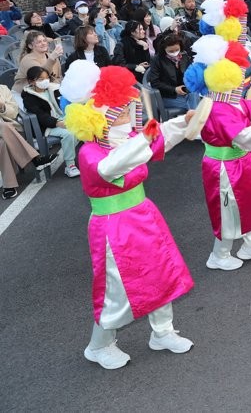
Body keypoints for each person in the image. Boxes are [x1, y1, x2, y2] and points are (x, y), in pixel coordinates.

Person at [60, 61, 196, 369]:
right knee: (116, 288)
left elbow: (155, 142)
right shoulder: (90, 152)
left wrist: (182, 123)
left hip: (142, 214)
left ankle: (162, 332)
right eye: (121, 110)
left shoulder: (127, 140)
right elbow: (113, 167)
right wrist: (145, 138)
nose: (129, 113)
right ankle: (99, 345)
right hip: (112, 227)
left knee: (160, 272)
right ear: (102, 118)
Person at [185, 33, 251, 270]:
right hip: (223, 167)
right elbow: (241, 136)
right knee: (227, 212)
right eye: (241, 77)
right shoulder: (217, 108)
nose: (244, 81)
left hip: (241, 162)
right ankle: (219, 255)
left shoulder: (229, 100)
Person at [22, 65, 79, 177]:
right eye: (41, 79)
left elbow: (66, 101)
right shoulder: (29, 97)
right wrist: (57, 123)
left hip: (64, 118)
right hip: (48, 126)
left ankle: (92, 158)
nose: (45, 81)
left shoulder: (53, 89)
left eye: (47, 78)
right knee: (69, 133)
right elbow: (40, 116)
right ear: (31, 81)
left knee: (88, 125)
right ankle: (70, 166)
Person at [0, 84, 41, 200]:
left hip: (11, 132)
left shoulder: (2, 89)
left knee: (4, 142)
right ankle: (35, 159)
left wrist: (2, 107)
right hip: (8, 130)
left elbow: (13, 112)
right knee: (3, 126)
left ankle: (9, 186)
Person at [150, 33, 199, 112]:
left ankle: (195, 118)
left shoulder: (184, 56)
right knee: (193, 105)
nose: (175, 53)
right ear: (164, 49)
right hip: (167, 96)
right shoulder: (157, 60)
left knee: (194, 94)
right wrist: (174, 89)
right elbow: (154, 82)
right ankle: (197, 119)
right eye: (171, 51)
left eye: (177, 50)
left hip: (184, 92)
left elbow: (190, 72)